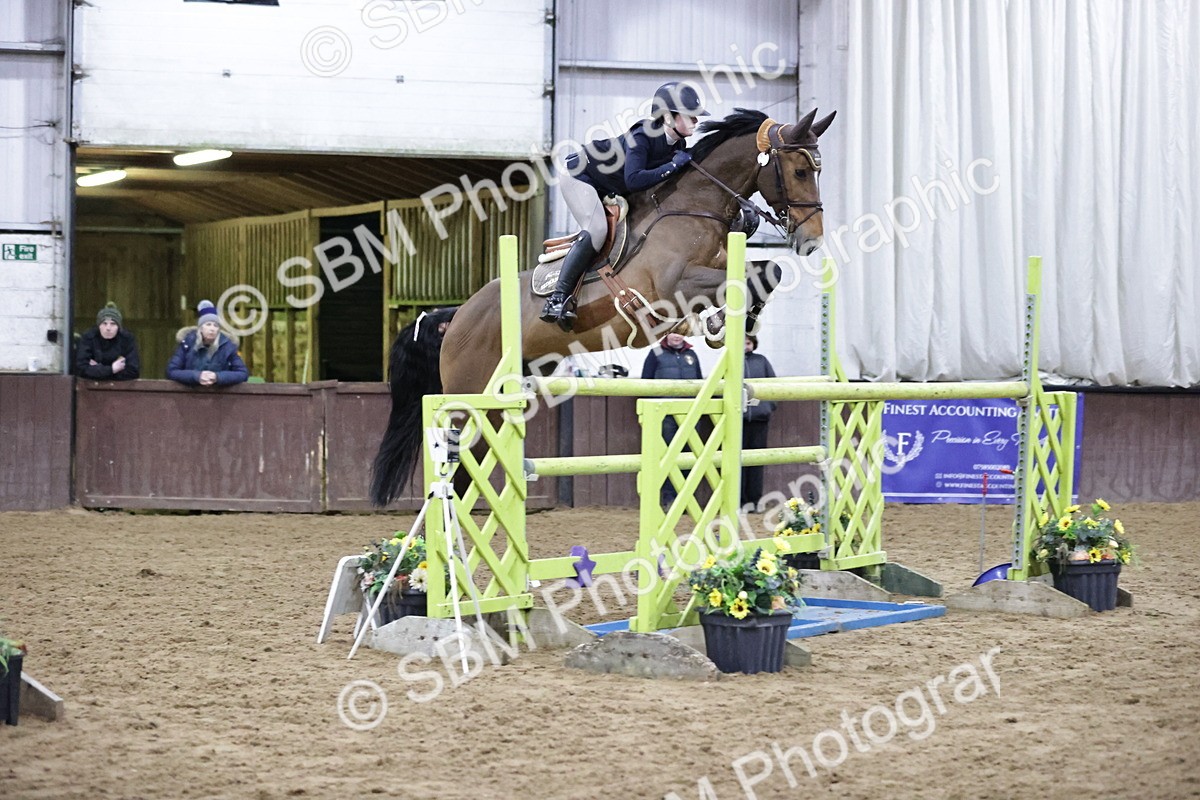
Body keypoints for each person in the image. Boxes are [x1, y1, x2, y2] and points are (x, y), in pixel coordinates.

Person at [540, 81, 710, 331]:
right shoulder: (643, 136)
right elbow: (634, 178)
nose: (696, 120)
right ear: (668, 116)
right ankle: (557, 298)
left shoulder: (678, 145)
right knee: (596, 230)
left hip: (610, 185)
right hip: (581, 175)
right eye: (690, 115)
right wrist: (674, 166)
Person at [641, 332, 703, 507]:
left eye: (682, 333)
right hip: (666, 416)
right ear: (667, 333)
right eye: (674, 332)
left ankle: (686, 497)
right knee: (668, 456)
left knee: (689, 457)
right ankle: (669, 498)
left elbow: (698, 382)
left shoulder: (692, 355)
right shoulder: (655, 354)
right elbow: (645, 384)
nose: (678, 336)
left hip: (689, 415)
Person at [167, 300, 249, 387]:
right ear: (201, 328)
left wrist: (217, 377)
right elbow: (172, 371)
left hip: (220, 395)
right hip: (190, 394)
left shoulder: (228, 346)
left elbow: (242, 373)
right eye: (208, 324)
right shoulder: (187, 343)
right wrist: (197, 376)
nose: (212, 329)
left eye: (215, 325)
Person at [741, 334, 777, 512]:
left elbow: (773, 385)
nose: (745, 346)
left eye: (748, 343)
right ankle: (740, 501)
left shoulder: (762, 361)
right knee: (737, 461)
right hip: (738, 420)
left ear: (753, 344)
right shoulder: (731, 361)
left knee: (756, 462)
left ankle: (755, 500)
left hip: (759, 419)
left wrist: (768, 407)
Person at [75, 301, 140, 381]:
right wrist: (112, 369)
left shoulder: (127, 339)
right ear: (99, 326)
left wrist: (98, 370)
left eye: (113, 324)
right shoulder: (89, 337)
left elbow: (133, 371)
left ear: (118, 327)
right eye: (104, 323)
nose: (108, 328)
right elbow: (81, 369)